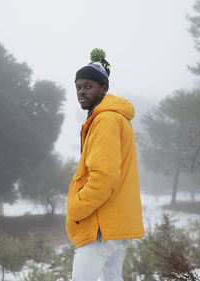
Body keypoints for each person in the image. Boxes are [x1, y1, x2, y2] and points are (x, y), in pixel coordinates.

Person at [66, 48, 145, 281]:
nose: (81, 91)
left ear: (104, 88)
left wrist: (76, 208)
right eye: (78, 87)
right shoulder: (114, 118)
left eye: (88, 86)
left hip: (101, 227)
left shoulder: (106, 120)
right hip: (114, 225)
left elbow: (104, 175)